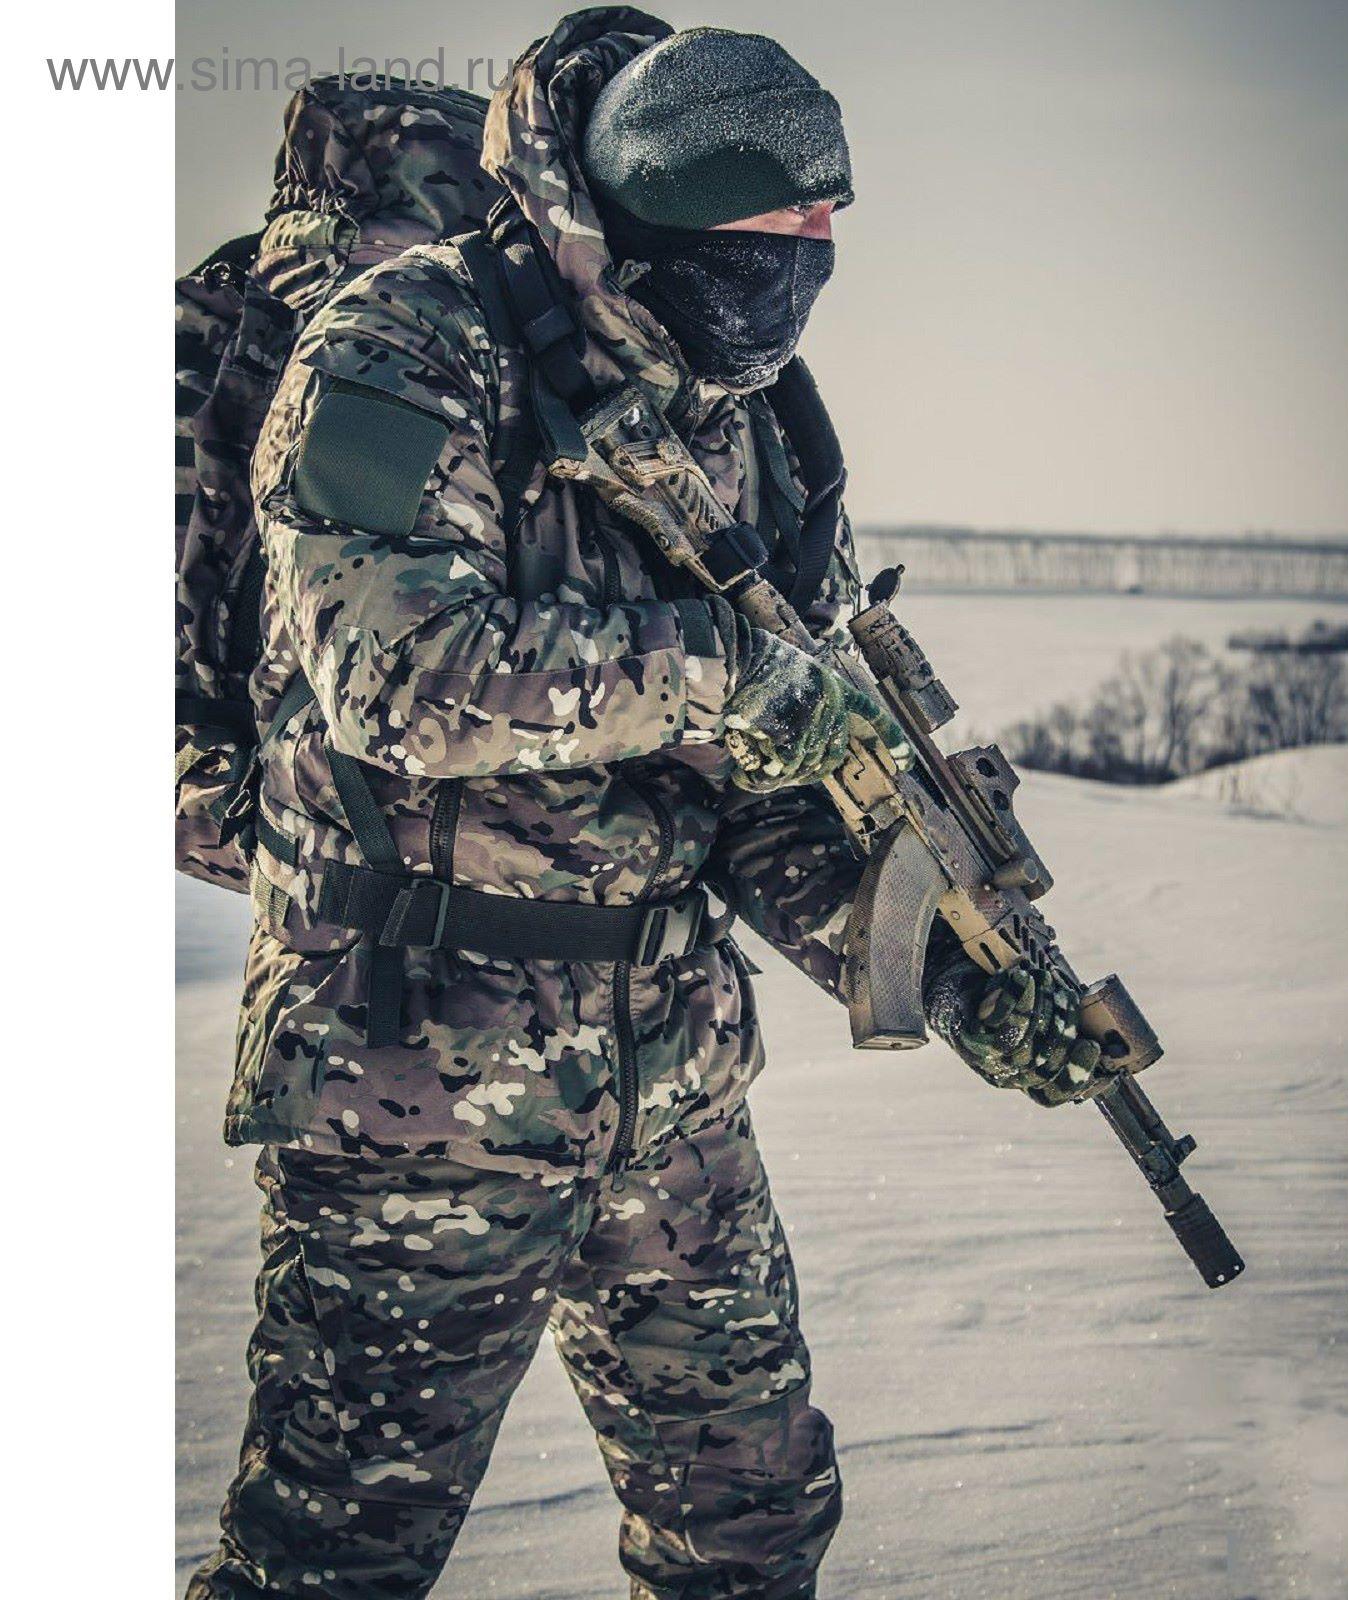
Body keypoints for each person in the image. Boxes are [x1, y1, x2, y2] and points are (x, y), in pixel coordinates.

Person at [190, 12, 1098, 1598]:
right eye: (773, 229)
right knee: (332, 1559)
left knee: (750, 1530)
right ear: (665, 212)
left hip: (671, 1085)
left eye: (824, 232)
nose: (805, 267)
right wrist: (725, 676)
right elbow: (396, 677)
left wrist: (950, 976)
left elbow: (769, 799)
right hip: (417, 1085)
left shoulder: (744, 421)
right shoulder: (406, 345)